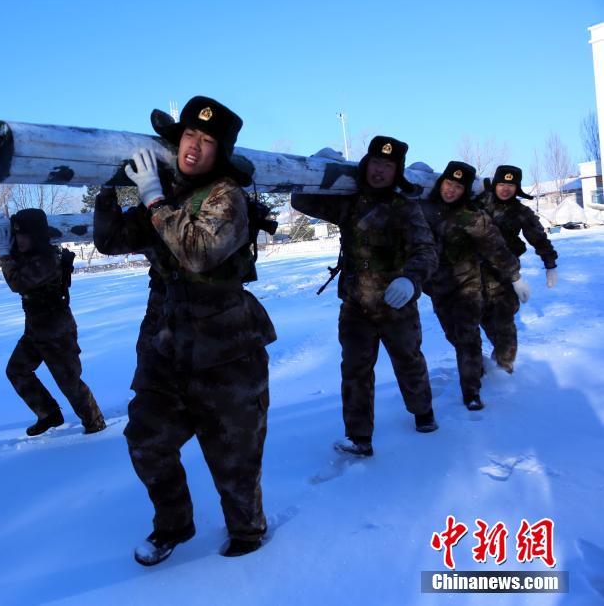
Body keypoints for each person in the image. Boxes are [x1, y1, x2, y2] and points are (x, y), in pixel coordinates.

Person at [94, 96, 276, 564]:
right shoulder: (168, 194)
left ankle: (248, 532)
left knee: (233, 453)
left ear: (220, 152)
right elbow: (111, 240)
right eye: (190, 136)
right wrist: (108, 190)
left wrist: (153, 196)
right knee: (146, 440)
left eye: (208, 141)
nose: (195, 147)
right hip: (166, 345)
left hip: (227, 347)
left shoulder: (226, 197)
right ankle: (173, 524)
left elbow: (197, 251)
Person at [292, 136, 439, 458]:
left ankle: (423, 412)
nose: (379, 171)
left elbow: (427, 251)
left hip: (396, 304)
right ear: (366, 164)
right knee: (355, 371)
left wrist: (410, 280)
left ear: (396, 170)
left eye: (387, 166)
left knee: (409, 362)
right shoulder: (350, 201)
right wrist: (318, 170)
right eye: (375, 163)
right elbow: (300, 202)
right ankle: (359, 437)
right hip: (357, 307)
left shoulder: (405, 207)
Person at [0, 208, 106, 436]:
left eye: (24, 236)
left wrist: (4, 253)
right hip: (35, 330)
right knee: (17, 370)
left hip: (57, 331)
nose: (20, 241)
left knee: (69, 382)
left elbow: (17, 282)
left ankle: (95, 424)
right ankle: (49, 413)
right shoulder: (29, 252)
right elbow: (5, 251)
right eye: (17, 235)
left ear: (36, 236)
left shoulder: (46, 259)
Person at [420, 161, 522, 410]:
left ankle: (472, 392)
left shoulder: (473, 217)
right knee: (453, 335)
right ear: (440, 183)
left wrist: (515, 276)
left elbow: (496, 247)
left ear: (465, 191)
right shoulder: (423, 210)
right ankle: (478, 368)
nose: (451, 190)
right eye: (448, 183)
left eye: (458, 186)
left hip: (468, 285)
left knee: (467, 337)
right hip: (437, 288)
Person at [477, 165, 558, 373]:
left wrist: (550, 264)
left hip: (506, 274)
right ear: (494, 184)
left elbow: (539, 238)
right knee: (484, 319)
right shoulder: (478, 203)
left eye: (511, 185)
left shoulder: (521, 212)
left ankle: (505, 368)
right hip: (474, 273)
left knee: (504, 320)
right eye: (502, 184)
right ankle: (494, 359)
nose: (506, 189)